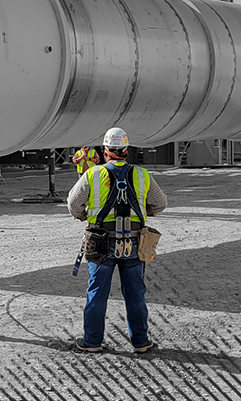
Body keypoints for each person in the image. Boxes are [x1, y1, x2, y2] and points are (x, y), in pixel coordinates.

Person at [67, 127, 167, 353]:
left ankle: (92, 341)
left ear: (105, 151)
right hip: (134, 241)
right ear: (126, 150)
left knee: (97, 292)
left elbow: (73, 204)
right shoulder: (142, 175)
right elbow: (160, 203)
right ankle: (140, 342)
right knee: (135, 293)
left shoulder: (92, 174)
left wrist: (86, 217)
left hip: (100, 240)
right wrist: (141, 213)